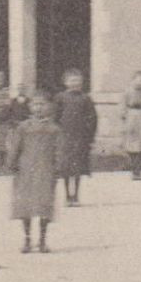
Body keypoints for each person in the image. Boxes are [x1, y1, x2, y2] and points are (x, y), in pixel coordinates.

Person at [7, 91, 60, 254]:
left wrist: (58, 167)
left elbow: (59, 150)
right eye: (35, 104)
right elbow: (15, 147)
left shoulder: (54, 129)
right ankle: (27, 239)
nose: (38, 108)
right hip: (26, 170)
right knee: (26, 205)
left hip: (45, 170)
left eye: (42, 104)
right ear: (30, 107)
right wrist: (12, 163)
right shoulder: (23, 127)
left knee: (44, 205)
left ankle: (43, 240)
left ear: (49, 107)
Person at [52, 69, 97, 207]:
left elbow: (93, 117)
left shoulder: (85, 98)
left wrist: (90, 135)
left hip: (80, 137)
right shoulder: (60, 97)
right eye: (71, 80)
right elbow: (55, 117)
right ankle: (67, 195)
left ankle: (76, 195)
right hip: (65, 136)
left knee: (77, 167)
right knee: (65, 167)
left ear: (81, 83)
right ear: (65, 82)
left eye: (77, 80)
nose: (75, 83)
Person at [119, 70, 141, 180]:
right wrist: (124, 117)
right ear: (133, 80)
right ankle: (134, 167)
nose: (140, 83)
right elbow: (122, 106)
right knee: (131, 145)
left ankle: (138, 170)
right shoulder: (127, 92)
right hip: (131, 116)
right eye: (138, 80)